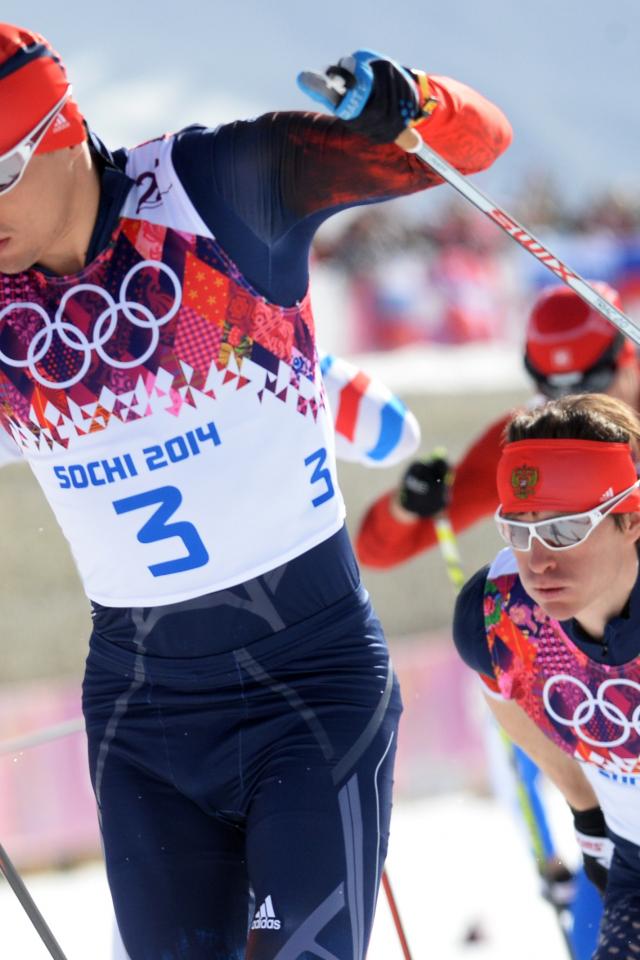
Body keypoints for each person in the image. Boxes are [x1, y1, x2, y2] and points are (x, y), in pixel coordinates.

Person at [0, 23, 511, 960]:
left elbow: (476, 146)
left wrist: (417, 106)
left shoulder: (214, 187)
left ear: (61, 128)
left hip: (307, 685)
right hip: (142, 712)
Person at [453, 392, 640, 958]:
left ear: (631, 518)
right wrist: (585, 805)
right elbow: (503, 689)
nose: (539, 562)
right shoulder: (499, 615)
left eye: (564, 531)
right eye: (519, 530)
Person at [356, 281, 639, 567]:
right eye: (553, 391)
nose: (577, 406)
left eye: (592, 385)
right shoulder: (528, 446)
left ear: (627, 358)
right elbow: (376, 552)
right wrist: (408, 504)